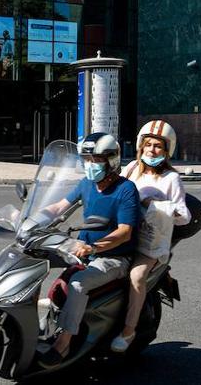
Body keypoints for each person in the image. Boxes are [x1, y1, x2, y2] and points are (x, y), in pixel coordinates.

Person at [38, 132, 140, 365]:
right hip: (82, 248)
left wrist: (94, 247)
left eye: (96, 160)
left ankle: (62, 345)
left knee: (77, 284)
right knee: (39, 264)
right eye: (87, 160)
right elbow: (59, 207)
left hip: (114, 257)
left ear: (111, 160)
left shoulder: (126, 189)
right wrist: (31, 219)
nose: (90, 165)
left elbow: (125, 231)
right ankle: (42, 326)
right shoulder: (86, 183)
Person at [113, 120, 191, 353]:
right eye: (148, 145)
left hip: (150, 242)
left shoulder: (171, 179)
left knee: (136, 276)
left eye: (158, 146)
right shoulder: (130, 169)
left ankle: (128, 331)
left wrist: (158, 206)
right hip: (124, 231)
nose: (152, 150)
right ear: (141, 146)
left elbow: (184, 215)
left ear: (167, 151)